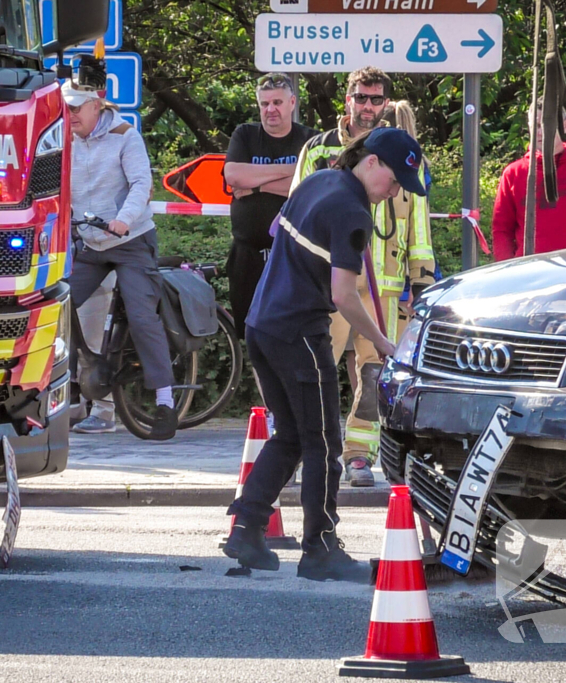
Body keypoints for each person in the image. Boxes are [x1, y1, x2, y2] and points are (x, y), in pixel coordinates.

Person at [223, 128, 427, 582]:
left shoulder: (318, 180)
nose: (393, 192)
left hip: (263, 323)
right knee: (324, 443)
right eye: (394, 181)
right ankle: (320, 547)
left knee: (292, 435)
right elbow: (343, 295)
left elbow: (280, 235)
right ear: (371, 162)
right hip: (299, 331)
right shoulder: (352, 212)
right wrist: (384, 342)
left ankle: (247, 528)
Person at [291, 69, 436, 488]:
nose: (368, 107)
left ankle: (359, 456)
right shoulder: (319, 151)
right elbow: (300, 210)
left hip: (385, 290)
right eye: (361, 98)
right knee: (315, 370)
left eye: (376, 99)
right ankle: (308, 450)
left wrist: (421, 283)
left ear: (386, 104)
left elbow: (419, 227)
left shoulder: (406, 156)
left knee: (374, 377)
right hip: (329, 284)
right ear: (347, 100)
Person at [62, 79, 178, 440]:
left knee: (142, 315)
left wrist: (124, 220)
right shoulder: (65, 138)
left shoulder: (125, 135)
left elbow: (142, 184)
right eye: (66, 108)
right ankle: (64, 392)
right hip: (91, 245)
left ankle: (165, 403)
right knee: (57, 307)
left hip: (130, 240)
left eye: (76, 108)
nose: (70, 115)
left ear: (97, 106)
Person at [222, 73, 317, 339]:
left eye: (277, 102)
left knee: (292, 333)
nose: (270, 110)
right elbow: (233, 176)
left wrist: (257, 185)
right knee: (249, 332)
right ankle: (257, 381)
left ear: (292, 103)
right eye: (264, 104)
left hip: (295, 255)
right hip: (247, 254)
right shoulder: (245, 134)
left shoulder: (310, 141)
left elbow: (312, 185)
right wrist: (292, 171)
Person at [492, 104, 566, 260]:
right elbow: (502, 229)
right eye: (535, 125)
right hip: (527, 270)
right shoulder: (513, 173)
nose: (540, 131)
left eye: (546, 124)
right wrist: (508, 268)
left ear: (564, 125)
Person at [72, 272, 118, 433]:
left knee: (92, 348)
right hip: (69, 280)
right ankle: (77, 408)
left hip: (96, 281)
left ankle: (104, 412)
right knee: (70, 348)